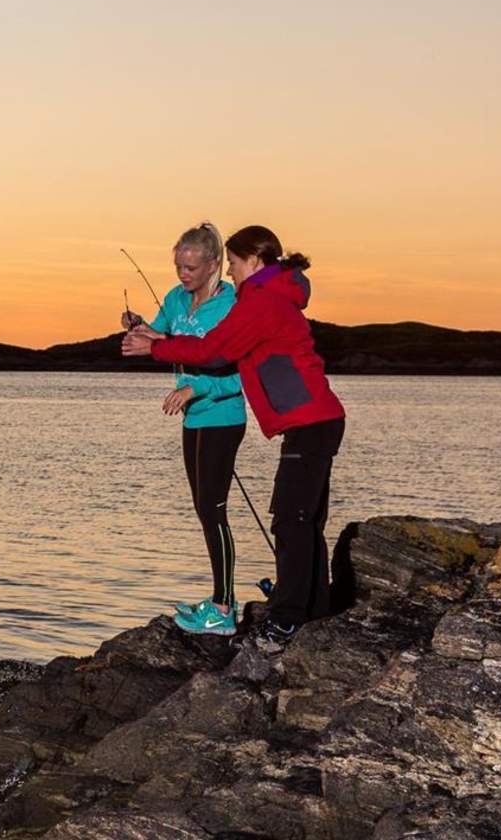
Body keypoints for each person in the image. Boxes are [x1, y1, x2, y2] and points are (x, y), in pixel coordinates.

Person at [122, 225, 346, 648]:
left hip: (311, 423)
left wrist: (157, 348)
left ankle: (288, 618)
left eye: (234, 263)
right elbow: (216, 348)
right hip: (314, 421)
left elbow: (214, 352)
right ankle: (314, 610)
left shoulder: (260, 302)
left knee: (292, 521)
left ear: (255, 261)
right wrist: (158, 337)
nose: (232, 271)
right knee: (304, 520)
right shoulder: (268, 297)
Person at [121, 223, 246, 637]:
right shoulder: (175, 299)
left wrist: (198, 386)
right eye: (178, 266)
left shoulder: (231, 306)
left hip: (223, 417)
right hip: (192, 418)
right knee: (202, 508)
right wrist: (140, 328)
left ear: (214, 264)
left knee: (213, 509)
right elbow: (163, 339)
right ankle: (218, 601)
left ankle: (224, 608)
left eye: (191, 267)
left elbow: (242, 377)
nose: (183, 275)